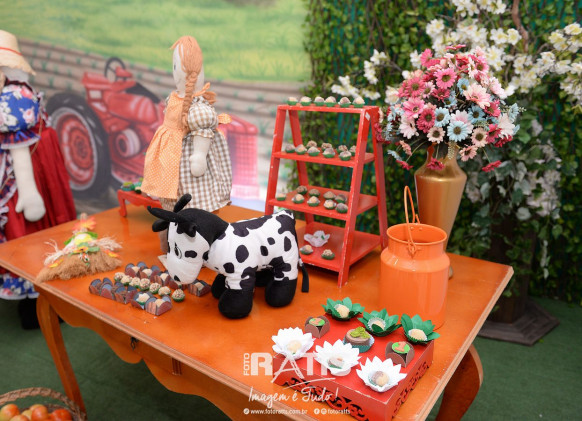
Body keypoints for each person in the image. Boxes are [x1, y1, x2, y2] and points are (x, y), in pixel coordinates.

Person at [0, 30, 76, 328]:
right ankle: (37, 297)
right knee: (32, 230)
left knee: (36, 227)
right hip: (32, 169)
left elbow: (20, 148)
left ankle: (45, 294)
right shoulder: (16, 92)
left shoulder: (14, 94)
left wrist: (30, 191)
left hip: (33, 168)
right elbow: (17, 149)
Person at [141, 35, 232, 215]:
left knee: (193, 195)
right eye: (174, 67)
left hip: (187, 158)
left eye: (177, 67)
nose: (174, 72)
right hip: (171, 156)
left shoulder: (197, 107)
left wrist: (199, 155)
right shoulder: (176, 97)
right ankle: (177, 221)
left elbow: (202, 131)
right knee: (175, 197)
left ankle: (198, 221)